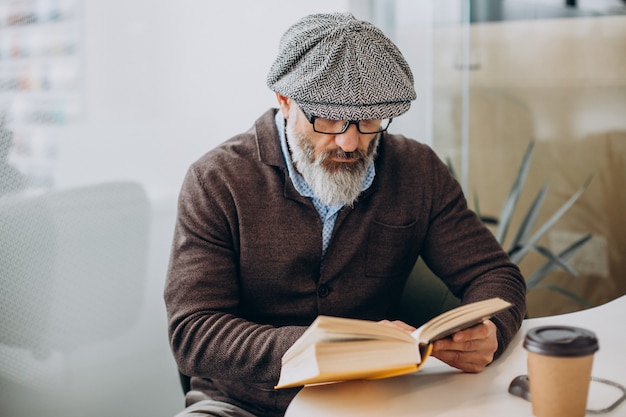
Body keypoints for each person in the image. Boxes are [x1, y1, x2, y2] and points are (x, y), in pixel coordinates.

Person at [164, 12, 526, 417]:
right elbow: (193, 333)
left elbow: (496, 275)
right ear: (285, 102)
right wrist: (323, 346)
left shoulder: (416, 169)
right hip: (243, 403)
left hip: (375, 399)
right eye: (328, 118)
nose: (350, 141)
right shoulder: (216, 180)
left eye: (368, 118)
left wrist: (491, 330)